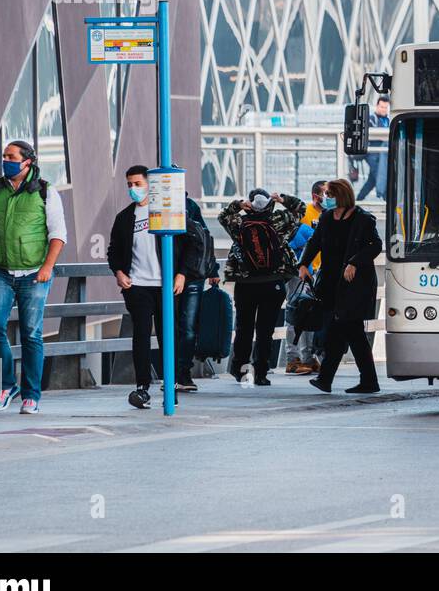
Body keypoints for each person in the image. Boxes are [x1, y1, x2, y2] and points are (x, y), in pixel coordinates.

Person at [0, 139, 67, 415]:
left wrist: (47, 267)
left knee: (32, 334)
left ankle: (31, 395)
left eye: (11, 156)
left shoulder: (45, 192)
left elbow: (58, 234)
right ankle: (7, 385)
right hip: (0, 272)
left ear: (27, 162)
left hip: (35, 273)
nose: (5, 160)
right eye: (4, 156)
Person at [107, 165, 200, 409]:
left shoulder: (167, 212)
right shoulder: (125, 217)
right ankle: (142, 387)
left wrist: (181, 274)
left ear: (150, 184)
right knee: (141, 335)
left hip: (166, 286)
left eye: (137, 183)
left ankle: (171, 384)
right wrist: (119, 272)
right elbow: (113, 250)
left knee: (167, 335)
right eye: (129, 184)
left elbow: (193, 243)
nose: (133, 189)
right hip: (137, 285)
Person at [218, 187, 306, 385]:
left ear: (249, 203)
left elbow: (223, 215)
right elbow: (301, 209)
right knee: (266, 330)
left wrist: (237, 206)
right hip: (273, 282)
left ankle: (241, 370)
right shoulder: (279, 221)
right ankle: (261, 373)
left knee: (244, 328)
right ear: (269, 202)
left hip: (245, 283)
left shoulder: (239, 223)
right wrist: (282, 199)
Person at [302, 178, 382, 394]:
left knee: (347, 329)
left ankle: (333, 379)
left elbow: (375, 245)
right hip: (330, 283)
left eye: (330, 194)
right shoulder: (327, 217)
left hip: (353, 284)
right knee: (346, 332)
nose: (326, 198)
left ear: (341, 195)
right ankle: (337, 380)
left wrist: (354, 262)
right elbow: (315, 242)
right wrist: (303, 263)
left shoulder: (363, 219)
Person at [173, 192, 220, 392]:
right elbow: (206, 238)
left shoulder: (188, 207)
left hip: (188, 274)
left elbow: (202, 240)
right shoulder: (189, 205)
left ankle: (180, 372)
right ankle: (180, 373)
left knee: (181, 327)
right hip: (190, 276)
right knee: (186, 327)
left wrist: (213, 269)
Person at [285, 181, 328, 374]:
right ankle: (293, 358)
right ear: (315, 196)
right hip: (301, 273)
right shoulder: (305, 214)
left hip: (319, 271)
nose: (329, 197)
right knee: (296, 312)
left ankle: (309, 357)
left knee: (310, 314)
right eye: (326, 194)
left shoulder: (329, 215)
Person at [356, 97, 390, 201]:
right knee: (380, 175)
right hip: (372, 153)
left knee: (372, 180)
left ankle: (358, 200)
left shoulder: (388, 120)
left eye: (386, 107)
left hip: (383, 153)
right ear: (377, 106)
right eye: (382, 107)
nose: (383, 109)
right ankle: (387, 201)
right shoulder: (371, 119)